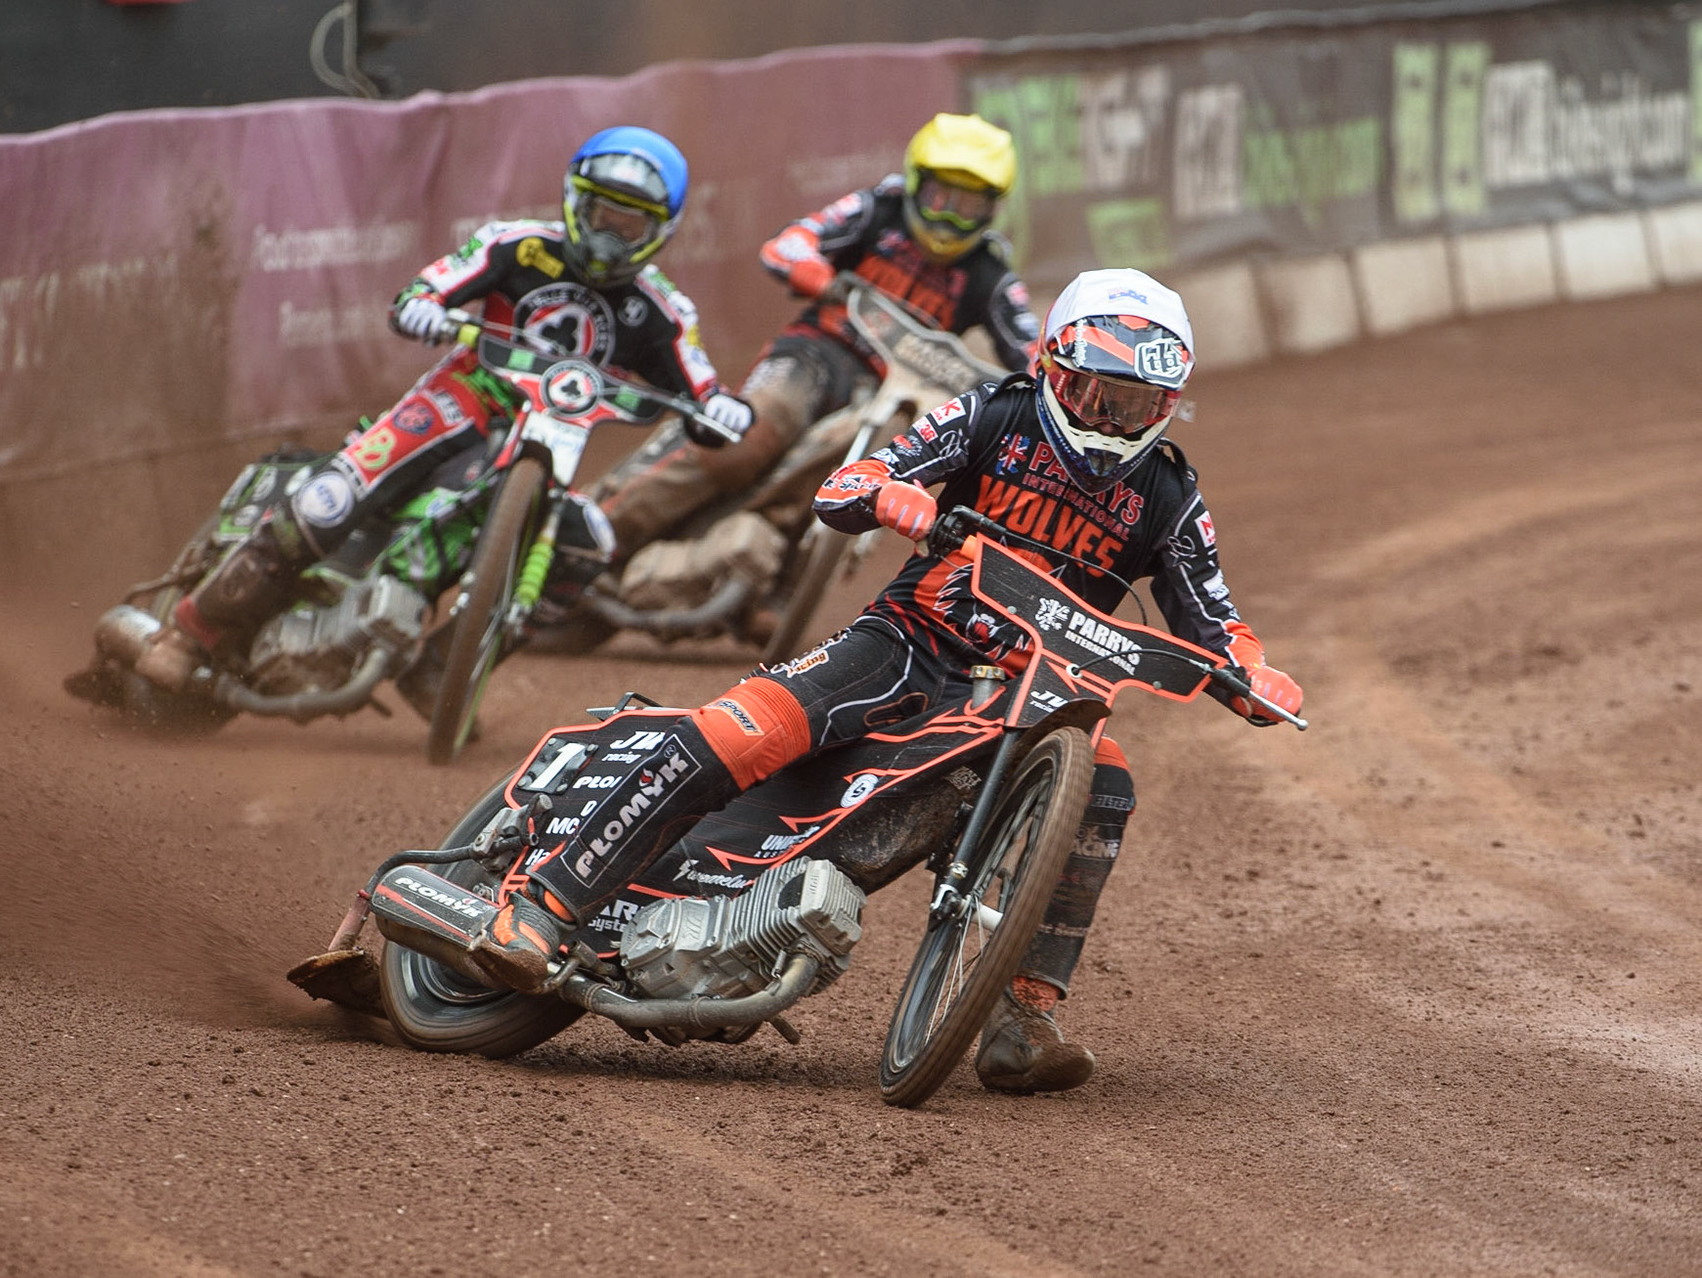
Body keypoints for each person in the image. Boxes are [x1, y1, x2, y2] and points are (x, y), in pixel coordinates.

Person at [449, 266, 1305, 1095]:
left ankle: (1022, 1019)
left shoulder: (1168, 492)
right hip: (905, 645)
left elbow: (1213, 619)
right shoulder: (994, 415)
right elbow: (852, 481)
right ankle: (543, 905)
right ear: (1052, 368)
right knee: (741, 728)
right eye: (1099, 396)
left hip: (1026, 694)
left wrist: (1256, 673)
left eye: (1140, 405)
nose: (1116, 421)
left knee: (1107, 782)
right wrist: (889, 494)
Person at [133, 126, 754, 701]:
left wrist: (724, 408)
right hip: (462, 397)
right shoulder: (516, 246)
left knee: (586, 542)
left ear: (660, 231)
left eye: (630, 225)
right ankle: (187, 634)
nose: (609, 236)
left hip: (553, 438)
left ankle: (444, 673)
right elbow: (431, 285)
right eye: (601, 215)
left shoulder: (663, 311)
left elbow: (701, 385)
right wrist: (423, 306)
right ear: (574, 201)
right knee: (332, 498)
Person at [572, 112, 1042, 638]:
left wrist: (1031, 388)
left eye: (969, 207)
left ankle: (773, 577)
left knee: (875, 469)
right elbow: (788, 244)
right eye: (941, 199)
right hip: (814, 355)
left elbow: (1034, 351)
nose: (949, 220)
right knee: (749, 438)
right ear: (915, 185)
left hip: (888, 394)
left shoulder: (989, 272)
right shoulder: (876, 211)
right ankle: (596, 535)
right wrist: (820, 276)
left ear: (992, 210)